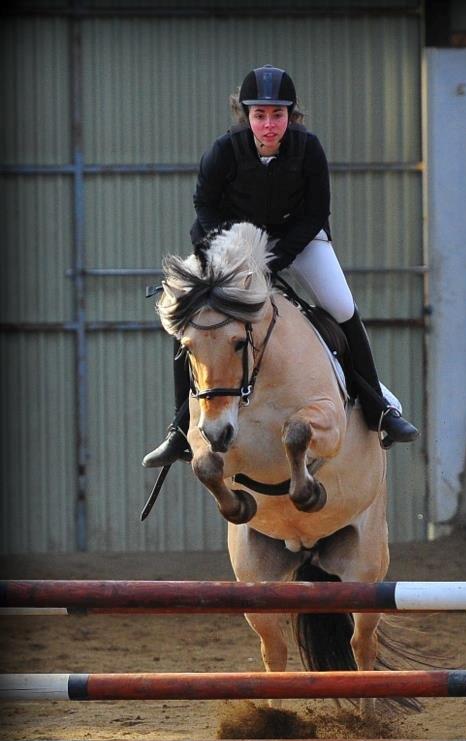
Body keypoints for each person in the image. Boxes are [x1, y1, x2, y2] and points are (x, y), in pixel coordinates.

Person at [143, 64, 418, 468]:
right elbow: (204, 205)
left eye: (277, 115)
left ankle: (379, 407)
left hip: (299, 240)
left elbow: (315, 213)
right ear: (246, 115)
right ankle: (179, 428)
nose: (268, 125)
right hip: (230, 240)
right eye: (259, 115)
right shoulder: (224, 150)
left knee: (341, 307)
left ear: (291, 115)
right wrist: (236, 252)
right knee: (187, 314)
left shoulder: (309, 149)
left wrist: (274, 259)